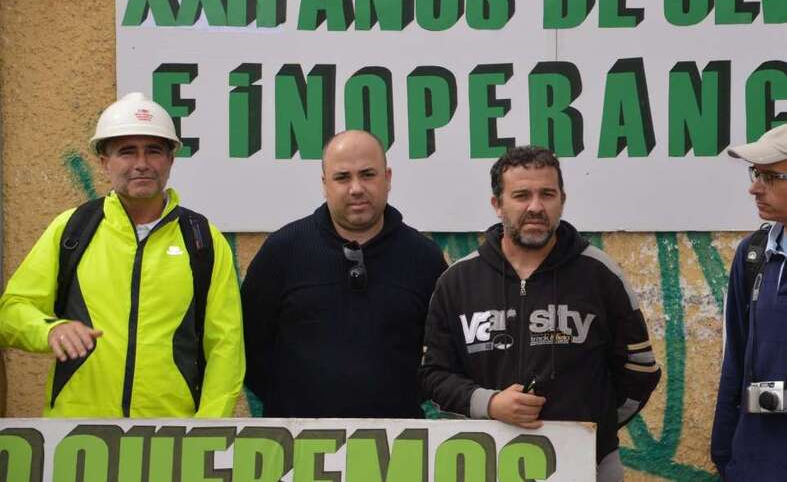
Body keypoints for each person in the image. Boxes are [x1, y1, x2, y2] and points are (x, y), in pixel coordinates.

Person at [420, 145, 661, 481]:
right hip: (488, 463)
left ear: (562, 199)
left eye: (547, 194)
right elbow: (434, 375)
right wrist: (489, 404)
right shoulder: (457, 281)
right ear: (497, 204)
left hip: (588, 464)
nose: (535, 207)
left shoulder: (600, 275)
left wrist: (593, 424)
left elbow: (640, 369)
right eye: (521, 195)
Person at [0, 92, 245, 417]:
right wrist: (50, 330)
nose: (141, 163)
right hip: (77, 432)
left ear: (170, 160)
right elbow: (11, 313)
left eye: (154, 151)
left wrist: (204, 430)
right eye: (127, 151)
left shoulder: (202, 239)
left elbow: (226, 346)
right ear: (105, 162)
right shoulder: (72, 229)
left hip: (169, 434)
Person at [242, 129, 446, 418]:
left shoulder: (424, 258)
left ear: (387, 178)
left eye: (367, 174)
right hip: (297, 439)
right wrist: (291, 400)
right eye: (342, 177)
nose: (356, 188)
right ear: (325, 184)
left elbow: (445, 350)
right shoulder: (282, 251)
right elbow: (247, 347)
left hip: (398, 439)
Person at [711, 123, 787, 480]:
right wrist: (725, 452)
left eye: (771, 177)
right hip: (754, 463)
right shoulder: (754, 254)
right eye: (756, 174)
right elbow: (736, 359)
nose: (754, 188)